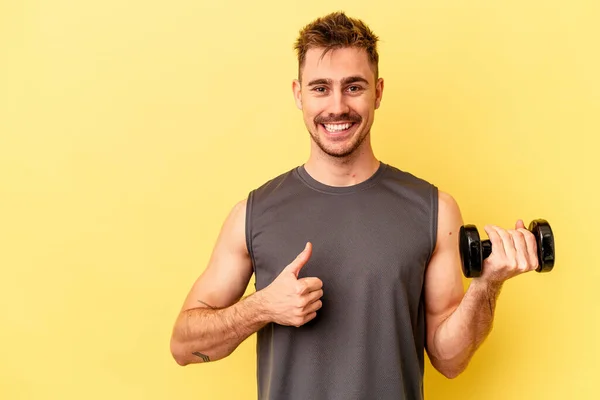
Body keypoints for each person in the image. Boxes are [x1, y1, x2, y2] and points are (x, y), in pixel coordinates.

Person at [170, 11, 540, 400]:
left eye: (353, 87)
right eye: (320, 88)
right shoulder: (252, 213)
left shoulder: (435, 210)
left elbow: (450, 361)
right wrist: (261, 308)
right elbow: (183, 346)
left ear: (378, 92)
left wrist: (487, 285)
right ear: (298, 94)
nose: (337, 106)